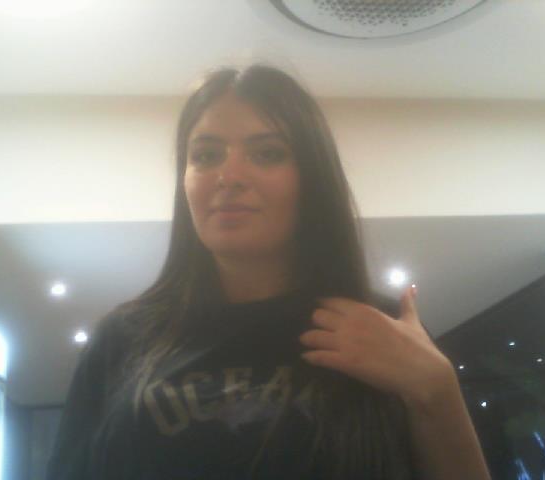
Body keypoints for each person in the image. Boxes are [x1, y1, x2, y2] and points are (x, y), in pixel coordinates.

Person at [46, 63, 491, 479]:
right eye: (206, 155)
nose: (229, 175)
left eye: (267, 153)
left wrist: (437, 391)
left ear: (312, 179)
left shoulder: (383, 329)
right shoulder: (122, 339)